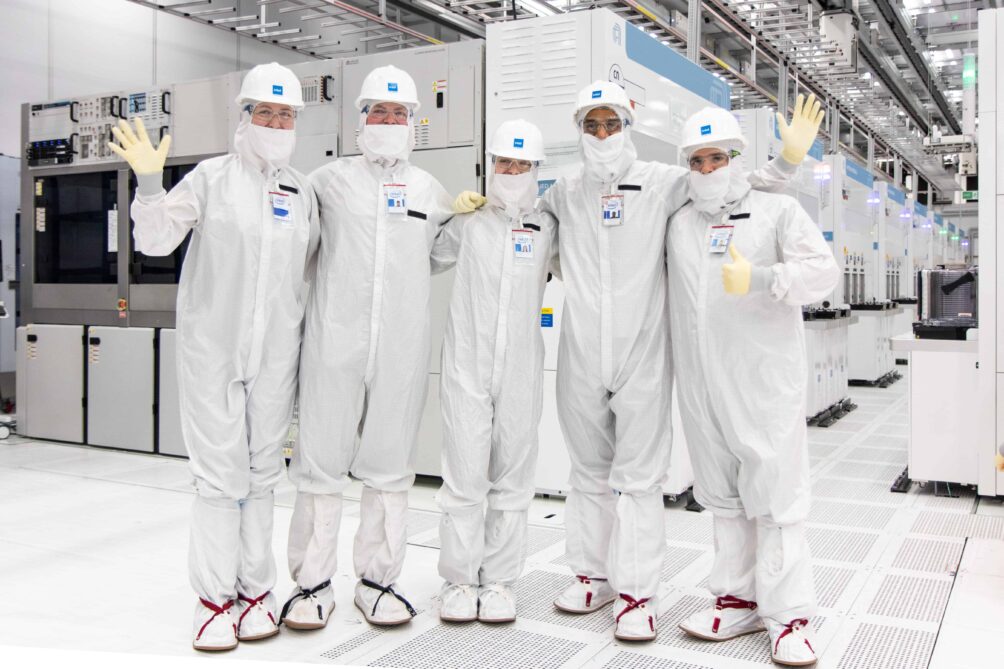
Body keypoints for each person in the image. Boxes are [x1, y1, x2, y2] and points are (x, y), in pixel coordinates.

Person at [460, 81, 819, 641]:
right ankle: (592, 575)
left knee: (641, 479)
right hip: (580, 352)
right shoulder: (564, 192)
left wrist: (786, 161)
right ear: (579, 130)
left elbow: (725, 188)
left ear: (628, 127)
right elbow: (522, 213)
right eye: (591, 125)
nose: (602, 135)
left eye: (612, 124)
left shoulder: (664, 183)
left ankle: (636, 593)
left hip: (645, 354)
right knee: (587, 472)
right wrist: (478, 206)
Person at [110, 62, 319, 651]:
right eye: (266, 112)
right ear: (245, 117)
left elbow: (310, 271)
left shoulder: (300, 191)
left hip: (276, 356)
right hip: (213, 353)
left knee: (261, 476)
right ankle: (212, 601)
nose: (276, 123)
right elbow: (155, 241)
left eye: (286, 115)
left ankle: (257, 593)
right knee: (218, 480)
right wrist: (150, 187)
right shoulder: (210, 179)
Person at [284, 65, 459, 630]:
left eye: (398, 113)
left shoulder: (429, 190)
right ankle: (311, 584)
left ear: (414, 124)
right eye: (377, 113)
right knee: (320, 463)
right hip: (334, 343)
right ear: (360, 121)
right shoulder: (326, 183)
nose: (387, 121)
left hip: (401, 349)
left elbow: (438, 255)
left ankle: (378, 582)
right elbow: (300, 251)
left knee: (389, 467)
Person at [667, 101, 838, 666]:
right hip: (703, 384)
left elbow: (823, 272)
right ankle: (737, 598)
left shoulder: (776, 211)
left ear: (737, 158)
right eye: (699, 159)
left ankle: (789, 617)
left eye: (720, 157)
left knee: (776, 499)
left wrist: (764, 276)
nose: (710, 168)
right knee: (723, 497)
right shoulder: (681, 221)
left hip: (763, 381)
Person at [432, 120, 558, 624]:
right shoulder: (470, 223)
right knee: (463, 477)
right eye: (505, 163)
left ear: (536, 170)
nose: (512, 172)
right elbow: (423, 255)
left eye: (522, 165)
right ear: (492, 165)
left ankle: (500, 580)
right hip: (467, 364)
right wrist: (444, 213)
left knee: (512, 477)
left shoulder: (547, 227)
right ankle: (459, 580)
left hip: (523, 367)